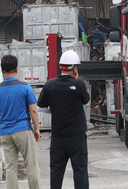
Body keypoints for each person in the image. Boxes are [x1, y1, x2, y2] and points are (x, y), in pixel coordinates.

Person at [37, 51, 89, 189]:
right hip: (77, 135)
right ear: (75, 68)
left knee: (56, 170)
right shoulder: (79, 84)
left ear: (61, 67)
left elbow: (40, 106)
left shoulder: (50, 85)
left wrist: (55, 109)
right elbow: (85, 102)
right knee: (80, 169)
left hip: (58, 136)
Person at [0, 54, 40, 189]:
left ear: (2, 70)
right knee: (31, 166)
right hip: (23, 129)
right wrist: (37, 129)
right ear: (17, 70)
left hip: (5, 132)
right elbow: (33, 110)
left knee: (11, 168)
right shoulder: (25, 87)